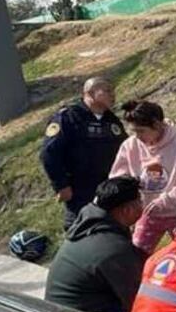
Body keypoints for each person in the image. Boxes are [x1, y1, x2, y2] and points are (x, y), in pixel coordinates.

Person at [44, 176, 147, 312]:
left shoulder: (88, 225)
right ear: (127, 210)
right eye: (140, 202)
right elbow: (139, 298)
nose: (142, 206)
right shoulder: (113, 249)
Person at [109, 100, 176, 253]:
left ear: (157, 125)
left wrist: (166, 200)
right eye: (133, 131)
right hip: (146, 212)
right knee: (136, 252)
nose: (137, 136)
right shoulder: (130, 146)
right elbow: (117, 178)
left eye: (141, 131)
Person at [40, 77, 127, 230]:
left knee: (113, 232)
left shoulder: (112, 121)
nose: (112, 94)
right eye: (107, 90)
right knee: (81, 232)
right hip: (80, 191)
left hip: (108, 190)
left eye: (113, 90)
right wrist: (61, 185)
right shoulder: (69, 117)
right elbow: (49, 153)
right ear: (90, 93)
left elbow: (126, 149)